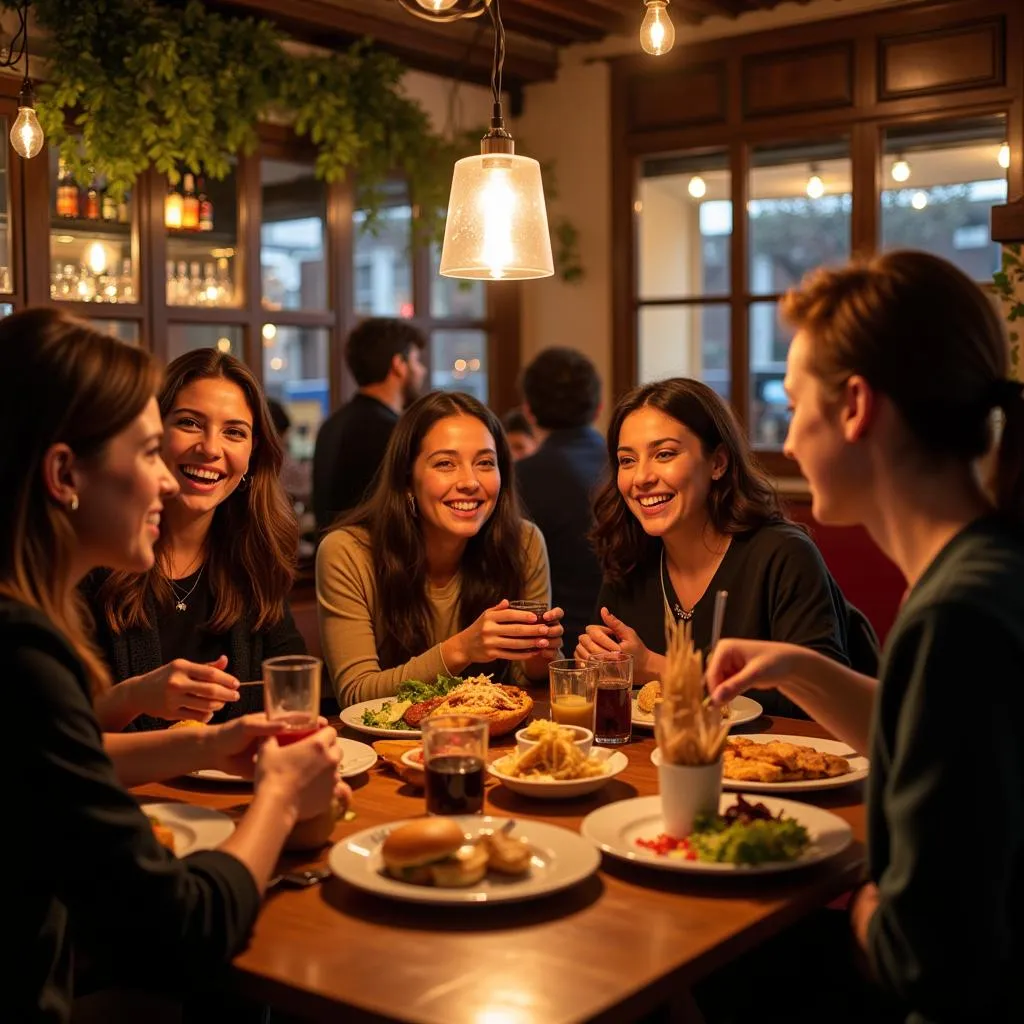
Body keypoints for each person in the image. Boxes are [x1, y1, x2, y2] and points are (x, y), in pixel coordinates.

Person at [704, 251, 1024, 1022]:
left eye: (790, 401)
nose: (788, 432)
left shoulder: (957, 616)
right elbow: (933, 735)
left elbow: (924, 959)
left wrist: (870, 904)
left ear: (854, 407)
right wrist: (803, 669)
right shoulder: (991, 570)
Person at [5, 309, 346, 1021]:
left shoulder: (27, 626)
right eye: (151, 449)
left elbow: (63, 762)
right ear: (64, 472)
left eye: (235, 433)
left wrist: (211, 742)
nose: (169, 479)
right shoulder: (24, 653)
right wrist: (280, 798)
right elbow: (183, 927)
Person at [577, 377, 853, 718]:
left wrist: (656, 667)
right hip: (650, 763)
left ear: (718, 462)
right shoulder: (628, 556)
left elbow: (820, 698)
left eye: (664, 454)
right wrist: (595, 662)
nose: (641, 478)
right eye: (627, 460)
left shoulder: (782, 554)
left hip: (772, 761)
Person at [87, 350, 306, 732]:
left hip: (235, 787)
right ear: (153, 434)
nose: (210, 448)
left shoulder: (256, 556)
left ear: (253, 454)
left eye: (234, 432)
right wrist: (136, 695)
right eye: (189, 423)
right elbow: (52, 730)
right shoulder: (95, 558)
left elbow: (293, 691)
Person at [317, 391, 564, 706]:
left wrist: (540, 654)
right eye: (446, 463)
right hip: (381, 750)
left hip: (495, 746)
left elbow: (527, 684)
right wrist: (460, 649)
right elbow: (356, 694)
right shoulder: (348, 552)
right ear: (407, 478)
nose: (470, 481)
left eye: (485, 463)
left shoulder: (523, 542)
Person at [516, 347, 606, 653]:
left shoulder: (519, 478)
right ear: (598, 408)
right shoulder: (625, 467)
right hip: (629, 642)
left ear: (528, 411)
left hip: (552, 650)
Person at [312, 318, 427, 530]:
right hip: (373, 558)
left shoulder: (330, 425)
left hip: (333, 555)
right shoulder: (394, 432)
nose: (422, 370)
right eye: (416, 360)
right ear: (399, 365)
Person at [267, 396, 312, 507]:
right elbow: (305, 485)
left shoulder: (280, 458)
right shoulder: (275, 460)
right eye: (282, 435)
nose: (284, 440)